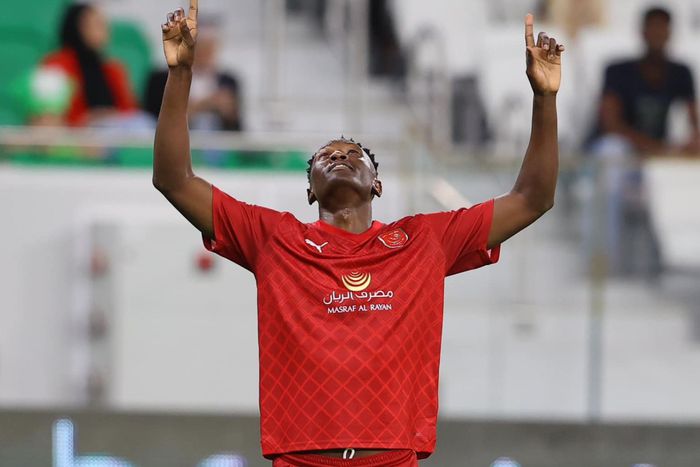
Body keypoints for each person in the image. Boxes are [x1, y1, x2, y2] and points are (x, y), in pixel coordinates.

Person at [152, 1, 563, 465]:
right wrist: (180, 74)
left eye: (353, 154)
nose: (339, 157)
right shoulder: (273, 238)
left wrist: (544, 100)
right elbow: (174, 180)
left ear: (377, 184)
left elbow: (533, 198)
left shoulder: (423, 241)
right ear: (310, 190)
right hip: (302, 459)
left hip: (390, 458)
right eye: (326, 156)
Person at [587, 7, 699, 277]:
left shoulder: (680, 72)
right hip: (619, 155)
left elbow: (693, 123)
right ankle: (603, 262)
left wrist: (689, 145)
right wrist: (659, 148)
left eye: (663, 29)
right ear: (643, 33)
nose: (658, 35)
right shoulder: (618, 71)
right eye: (654, 28)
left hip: (653, 158)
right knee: (611, 155)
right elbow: (610, 125)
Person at [37, 3, 144, 127]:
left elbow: (130, 110)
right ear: (77, 28)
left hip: (115, 130)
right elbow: (51, 115)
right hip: (77, 132)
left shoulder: (113, 68)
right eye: (97, 25)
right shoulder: (57, 65)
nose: (105, 31)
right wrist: (89, 119)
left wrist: (109, 115)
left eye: (105, 25)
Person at [144, 16, 243, 131]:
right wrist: (206, 103)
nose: (205, 54)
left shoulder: (228, 81)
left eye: (209, 47)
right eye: (200, 47)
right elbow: (154, 120)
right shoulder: (160, 79)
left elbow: (236, 125)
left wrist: (228, 111)